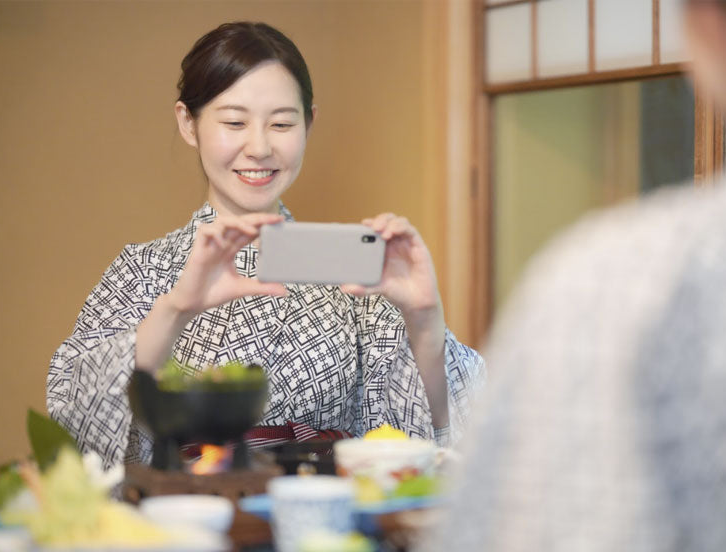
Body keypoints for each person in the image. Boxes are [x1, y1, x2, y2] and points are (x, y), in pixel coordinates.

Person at [404, 1, 726, 552]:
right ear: (198, 128)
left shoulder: (626, 276)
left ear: (711, 26)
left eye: (281, 121)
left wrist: (428, 333)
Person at [46, 22, 483, 468]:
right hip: (184, 522)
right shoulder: (142, 271)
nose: (259, 147)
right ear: (188, 123)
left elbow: (435, 440)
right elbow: (73, 421)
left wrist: (424, 320)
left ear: (309, 122)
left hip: (320, 522)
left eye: (281, 123)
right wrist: (175, 308)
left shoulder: (348, 270)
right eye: (234, 122)